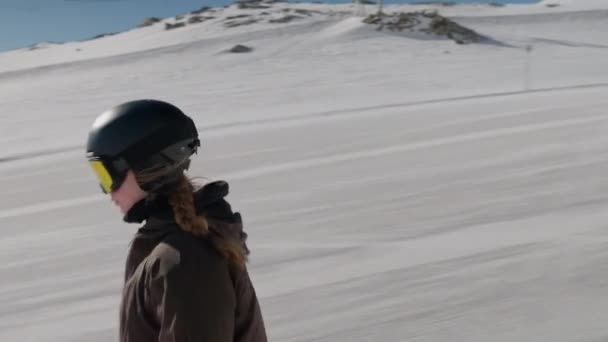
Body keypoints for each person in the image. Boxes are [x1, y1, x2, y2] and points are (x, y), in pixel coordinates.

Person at [85, 99, 268, 342]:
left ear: (144, 167)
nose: (107, 192)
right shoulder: (166, 247)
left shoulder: (186, 259)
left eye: (105, 175)